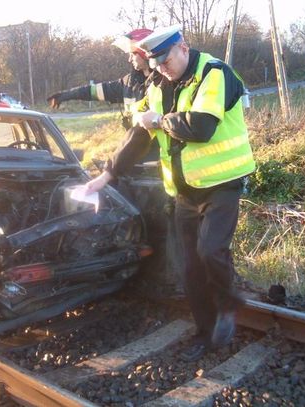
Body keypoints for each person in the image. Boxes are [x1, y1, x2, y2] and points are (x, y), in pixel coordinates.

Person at [85, 25, 256, 362]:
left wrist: (159, 121)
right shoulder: (158, 86)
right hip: (184, 191)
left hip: (223, 185)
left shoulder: (213, 73)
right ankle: (206, 333)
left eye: (166, 59)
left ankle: (229, 303)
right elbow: (138, 135)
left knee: (210, 250)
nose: (163, 67)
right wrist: (107, 174)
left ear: (183, 47)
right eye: (157, 62)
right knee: (189, 268)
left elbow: (201, 127)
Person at [47, 28, 153, 129]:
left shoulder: (164, 82)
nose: (130, 59)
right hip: (135, 145)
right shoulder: (128, 83)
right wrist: (65, 95)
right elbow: (93, 91)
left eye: (133, 54)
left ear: (145, 53)